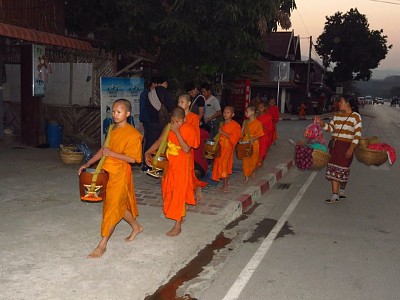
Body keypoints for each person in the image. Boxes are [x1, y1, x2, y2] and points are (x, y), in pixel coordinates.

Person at [78, 99, 143, 258]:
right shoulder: (112, 129)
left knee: (112, 208)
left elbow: (134, 159)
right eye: (113, 111)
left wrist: (112, 154)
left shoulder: (134, 135)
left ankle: (102, 244)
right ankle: (136, 226)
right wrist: (88, 164)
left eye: (119, 112)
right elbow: (103, 150)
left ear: (127, 113)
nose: (115, 114)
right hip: (107, 173)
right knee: (116, 205)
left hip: (120, 174)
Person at [145, 107, 197, 236]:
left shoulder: (189, 129)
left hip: (182, 165)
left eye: (178, 122)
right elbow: (159, 142)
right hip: (170, 165)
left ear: (184, 119)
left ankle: (177, 225)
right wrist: (148, 151)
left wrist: (177, 132)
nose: (175, 124)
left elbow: (186, 149)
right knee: (168, 190)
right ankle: (181, 212)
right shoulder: (169, 127)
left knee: (178, 193)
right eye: (173, 121)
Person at [315, 96, 362, 204]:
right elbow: (330, 128)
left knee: (343, 170)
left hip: (346, 147)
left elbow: (357, 135)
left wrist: (351, 148)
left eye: (341, 101)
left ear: (348, 103)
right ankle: (335, 195)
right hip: (335, 146)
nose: (338, 103)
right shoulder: (337, 116)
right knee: (334, 169)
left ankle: (341, 188)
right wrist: (321, 123)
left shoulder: (356, 117)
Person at [177, 94, 207, 200]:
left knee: (188, 173)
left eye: (182, 102)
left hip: (187, 148)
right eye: (178, 102)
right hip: (176, 149)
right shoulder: (176, 116)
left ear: (189, 103)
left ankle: (190, 193)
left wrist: (188, 145)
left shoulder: (194, 117)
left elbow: (195, 135)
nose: (179, 104)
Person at [211, 106, 242, 192]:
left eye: (228, 113)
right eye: (224, 112)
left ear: (232, 114)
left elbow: (235, 138)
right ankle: (223, 184)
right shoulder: (222, 123)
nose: (225, 114)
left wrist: (223, 133)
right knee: (219, 165)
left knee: (225, 166)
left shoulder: (235, 125)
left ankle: (225, 185)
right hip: (220, 148)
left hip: (228, 148)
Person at [241, 106, 264, 184]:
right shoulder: (245, 122)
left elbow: (260, 134)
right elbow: (241, 132)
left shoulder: (258, 123)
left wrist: (253, 138)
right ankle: (246, 176)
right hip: (245, 142)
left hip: (254, 143)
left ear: (252, 112)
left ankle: (254, 170)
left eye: (247, 112)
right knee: (245, 160)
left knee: (254, 159)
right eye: (245, 112)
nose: (245, 113)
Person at [139, 77, 157, 173]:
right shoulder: (145, 94)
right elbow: (143, 110)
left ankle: (152, 163)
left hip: (154, 123)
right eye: (156, 84)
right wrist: (147, 121)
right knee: (148, 143)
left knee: (154, 143)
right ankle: (145, 164)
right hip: (148, 122)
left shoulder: (155, 94)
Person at [257, 101, 274, 167]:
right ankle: (257, 161)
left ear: (265, 108)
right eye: (259, 107)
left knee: (262, 149)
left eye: (262, 107)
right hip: (256, 136)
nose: (260, 108)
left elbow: (270, 128)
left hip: (264, 136)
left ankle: (260, 161)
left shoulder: (268, 117)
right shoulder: (256, 116)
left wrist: (263, 126)